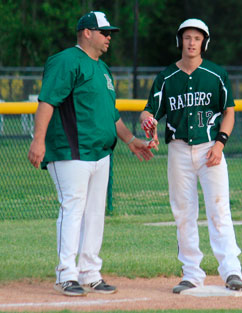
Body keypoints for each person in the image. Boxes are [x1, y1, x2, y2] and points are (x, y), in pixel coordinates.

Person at [28, 11, 154, 297]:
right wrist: (38, 140)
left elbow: (112, 116)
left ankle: (89, 272)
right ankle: (66, 274)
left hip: (100, 154)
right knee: (73, 210)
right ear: (86, 32)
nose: (109, 37)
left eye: (110, 33)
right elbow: (47, 101)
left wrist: (132, 140)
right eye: (104, 32)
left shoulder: (103, 70)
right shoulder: (66, 61)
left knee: (94, 214)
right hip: (71, 151)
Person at [139, 18, 242, 293]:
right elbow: (150, 110)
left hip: (211, 147)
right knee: (184, 212)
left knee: (219, 209)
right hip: (179, 151)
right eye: (187, 37)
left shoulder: (217, 75)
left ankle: (232, 271)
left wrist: (220, 144)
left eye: (197, 38)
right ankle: (192, 273)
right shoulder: (166, 78)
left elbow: (229, 111)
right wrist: (147, 121)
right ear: (180, 41)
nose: (191, 42)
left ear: (204, 43)